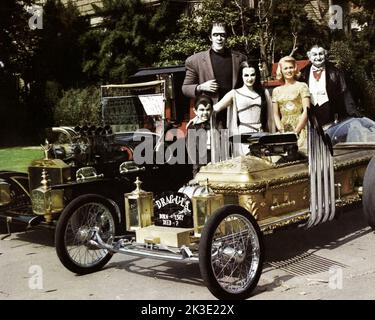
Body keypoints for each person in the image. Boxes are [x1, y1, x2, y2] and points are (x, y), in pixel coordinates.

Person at [182, 22, 247, 127]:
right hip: (210, 114)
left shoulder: (240, 59)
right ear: (210, 37)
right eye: (215, 35)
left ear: (226, 37)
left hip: (235, 113)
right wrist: (201, 87)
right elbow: (185, 88)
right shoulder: (195, 60)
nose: (219, 38)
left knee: (235, 143)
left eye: (222, 35)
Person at [213, 61, 275, 156]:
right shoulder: (234, 93)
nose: (249, 79)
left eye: (252, 75)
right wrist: (198, 117)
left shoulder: (264, 92)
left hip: (260, 134)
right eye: (246, 75)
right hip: (242, 135)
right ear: (241, 76)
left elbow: (270, 117)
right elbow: (215, 108)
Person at [300, 44, 359, 128]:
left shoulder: (336, 72)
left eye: (321, 54)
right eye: (315, 54)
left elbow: (345, 91)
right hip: (310, 109)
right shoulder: (303, 73)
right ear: (309, 56)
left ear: (325, 54)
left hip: (329, 109)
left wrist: (353, 111)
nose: (318, 57)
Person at [272, 56, 311, 150]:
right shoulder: (276, 91)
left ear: (295, 69)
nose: (289, 71)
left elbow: (307, 111)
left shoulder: (302, 86)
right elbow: (275, 114)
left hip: (301, 128)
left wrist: (296, 131)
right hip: (284, 129)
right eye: (285, 68)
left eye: (291, 67)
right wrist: (281, 130)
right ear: (281, 70)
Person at [186, 95, 213, 176]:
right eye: (201, 110)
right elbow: (191, 149)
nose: (205, 113)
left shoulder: (216, 125)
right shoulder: (192, 127)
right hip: (199, 162)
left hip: (214, 159)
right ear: (195, 111)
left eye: (208, 109)